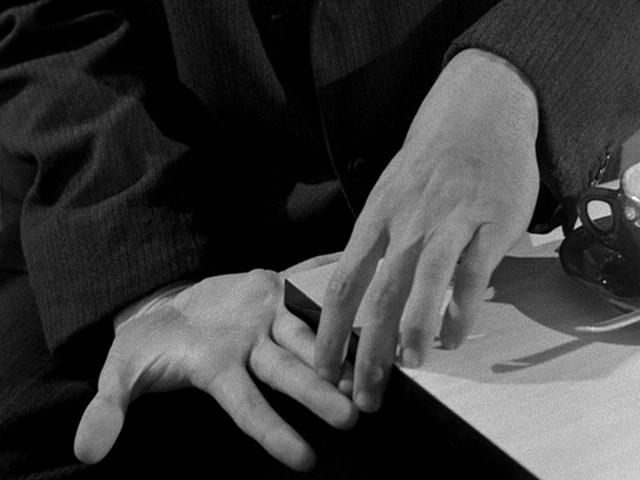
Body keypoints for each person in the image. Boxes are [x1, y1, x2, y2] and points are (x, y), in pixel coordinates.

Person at [1, 0, 639, 477]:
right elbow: (53, 23)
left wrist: (514, 73)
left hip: (511, 199)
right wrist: (151, 285)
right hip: (173, 208)